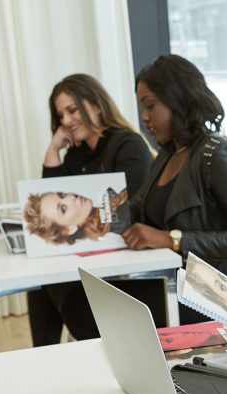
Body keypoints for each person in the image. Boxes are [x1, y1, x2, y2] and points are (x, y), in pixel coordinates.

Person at [126, 54, 227, 324]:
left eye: (150, 106)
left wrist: (172, 239)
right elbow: (140, 208)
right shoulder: (169, 153)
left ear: (176, 99)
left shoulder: (219, 154)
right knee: (94, 301)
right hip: (176, 283)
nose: (144, 117)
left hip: (215, 297)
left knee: (104, 311)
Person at [29, 73, 154, 346]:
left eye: (72, 110)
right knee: (41, 284)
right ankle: (44, 358)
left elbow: (128, 211)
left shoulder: (127, 145)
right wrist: (53, 150)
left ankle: (52, 357)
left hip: (129, 255)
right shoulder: (78, 153)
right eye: (60, 115)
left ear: (96, 104)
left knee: (54, 287)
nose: (66, 121)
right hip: (95, 254)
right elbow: (49, 204)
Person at [22, 187, 129, 244]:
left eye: (62, 195)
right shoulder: (119, 226)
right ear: (68, 229)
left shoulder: (112, 205)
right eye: (63, 209)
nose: (71, 197)